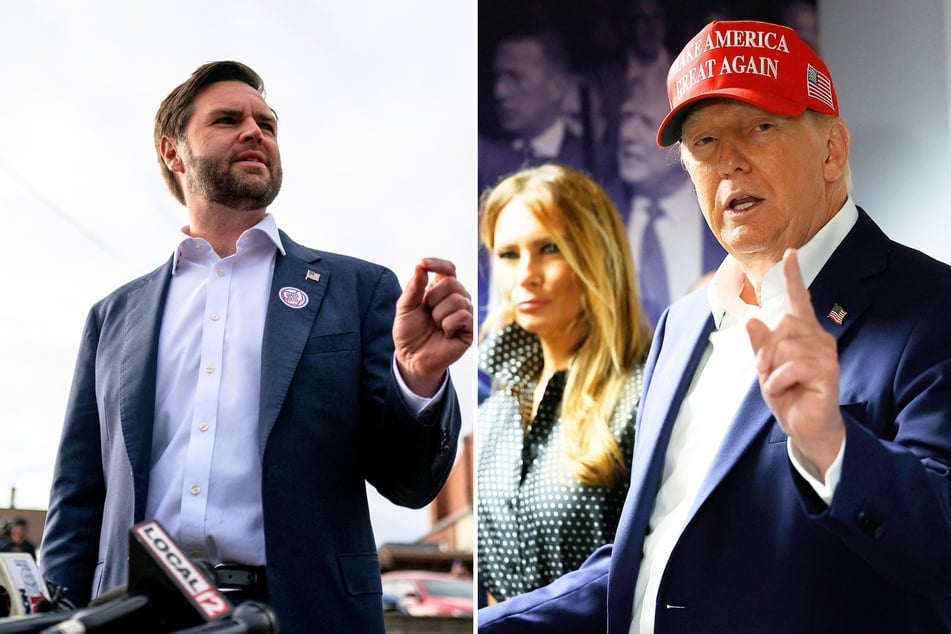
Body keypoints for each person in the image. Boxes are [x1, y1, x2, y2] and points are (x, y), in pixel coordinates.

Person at [479, 19, 951, 632]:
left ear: (833, 149)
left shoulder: (931, 306)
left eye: (760, 127)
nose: (729, 160)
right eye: (702, 141)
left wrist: (832, 444)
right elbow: (652, 555)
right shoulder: (682, 324)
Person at [39, 61, 472, 634]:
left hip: (301, 616)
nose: (255, 131)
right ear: (173, 152)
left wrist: (416, 379)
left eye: (266, 122)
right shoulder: (112, 318)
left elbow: (411, 484)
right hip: (134, 616)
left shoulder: (360, 291)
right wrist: (61, 611)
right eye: (227, 119)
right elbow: (78, 496)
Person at [477, 164, 652, 604]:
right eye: (509, 254)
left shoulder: (644, 396)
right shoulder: (493, 413)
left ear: (596, 254)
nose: (526, 275)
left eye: (549, 248)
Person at [609, 77, 725, 324]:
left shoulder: (735, 207)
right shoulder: (600, 213)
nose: (629, 134)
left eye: (645, 122)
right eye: (626, 118)